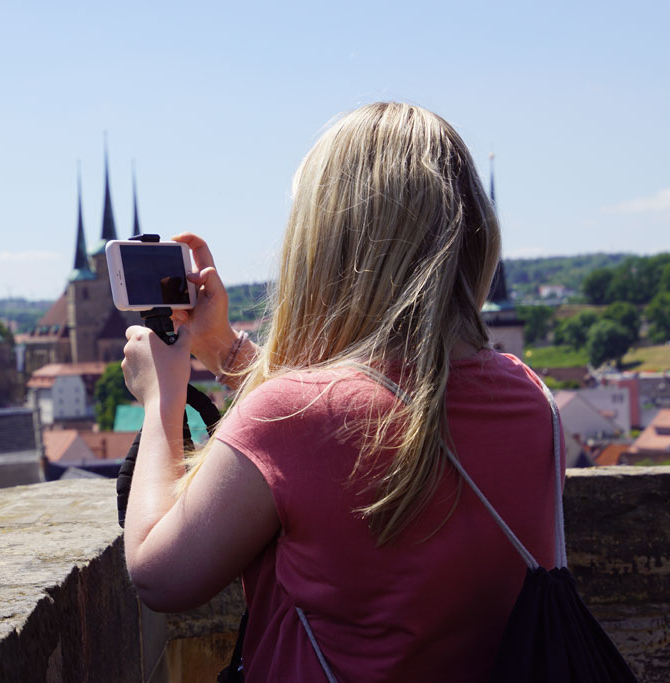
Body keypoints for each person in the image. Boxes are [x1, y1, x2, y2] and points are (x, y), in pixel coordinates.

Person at [120, 101, 564, 681]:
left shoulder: (294, 420)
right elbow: (368, 406)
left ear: (325, 244)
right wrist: (225, 351)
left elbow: (160, 575)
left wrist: (161, 400)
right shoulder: (532, 397)